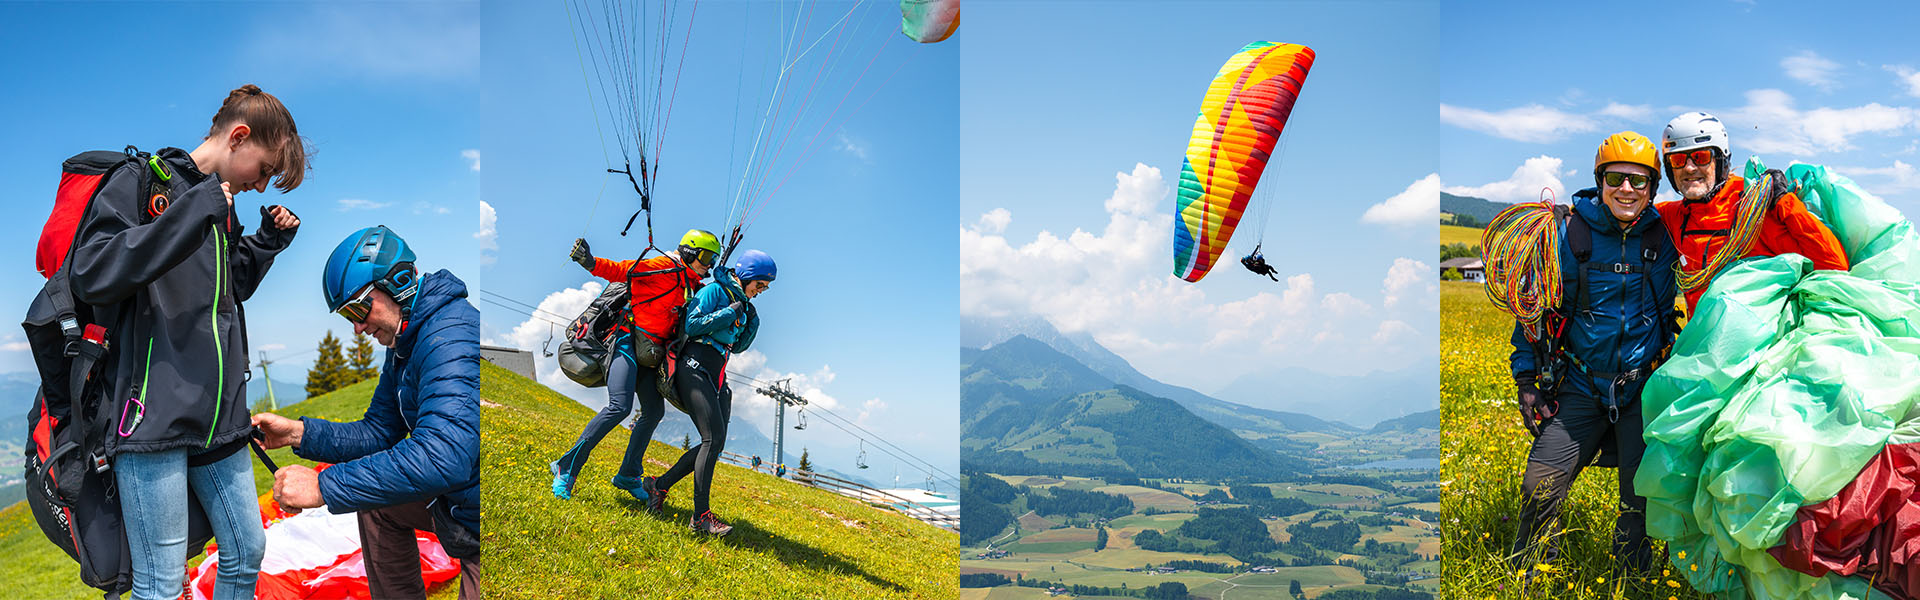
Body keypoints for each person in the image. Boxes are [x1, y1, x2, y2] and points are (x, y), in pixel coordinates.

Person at [65, 84, 307, 600]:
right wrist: (191, 210)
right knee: (160, 583)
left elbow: (226, 290)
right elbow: (91, 272)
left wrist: (266, 244)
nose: (261, 187)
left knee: (247, 552)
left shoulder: (220, 205)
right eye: (263, 171)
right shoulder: (139, 182)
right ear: (238, 137)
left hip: (219, 416)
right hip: (150, 415)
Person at [252, 226, 481, 600]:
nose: (357, 327)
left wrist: (323, 486)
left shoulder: (451, 334)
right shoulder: (407, 340)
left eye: (360, 309)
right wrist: (298, 434)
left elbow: (444, 456)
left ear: (400, 282)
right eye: (348, 316)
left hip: (477, 516)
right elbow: (378, 432)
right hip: (455, 497)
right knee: (376, 505)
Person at [1508, 132, 1677, 579]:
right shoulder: (1569, 232)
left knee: (1641, 498)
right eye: (1616, 178)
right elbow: (1534, 309)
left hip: (1641, 387)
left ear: (1652, 190)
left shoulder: (1664, 236)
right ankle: (1533, 576)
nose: (1626, 189)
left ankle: (1635, 579)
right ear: (1600, 182)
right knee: (1540, 485)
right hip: (1581, 385)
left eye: (1639, 182)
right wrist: (1527, 382)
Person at [549, 229, 719, 500]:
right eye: (707, 256)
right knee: (619, 407)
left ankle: (628, 474)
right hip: (627, 341)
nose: (710, 263)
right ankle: (566, 467)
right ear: (689, 252)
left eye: (715, 259)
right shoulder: (665, 267)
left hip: (651, 354)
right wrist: (590, 262)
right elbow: (623, 271)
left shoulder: (692, 284)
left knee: (653, 412)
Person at [1653, 112, 1849, 315]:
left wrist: (1783, 200)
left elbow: (1833, 266)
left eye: (1701, 157)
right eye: (1678, 160)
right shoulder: (1671, 217)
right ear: (1669, 168)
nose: (1690, 168)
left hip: (1762, 343)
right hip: (1704, 343)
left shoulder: (1755, 209)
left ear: (1720, 159)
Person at [646, 249, 776, 535]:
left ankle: (659, 486)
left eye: (765, 288)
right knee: (710, 439)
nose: (761, 291)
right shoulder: (714, 291)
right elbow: (692, 325)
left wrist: (751, 323)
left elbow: (737, 346)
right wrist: (731, 312)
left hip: (717, 375)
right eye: (760, 284)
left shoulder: (741, 302)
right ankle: (700, 517)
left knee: (715, 443)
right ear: (747, 276)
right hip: (693, 366)